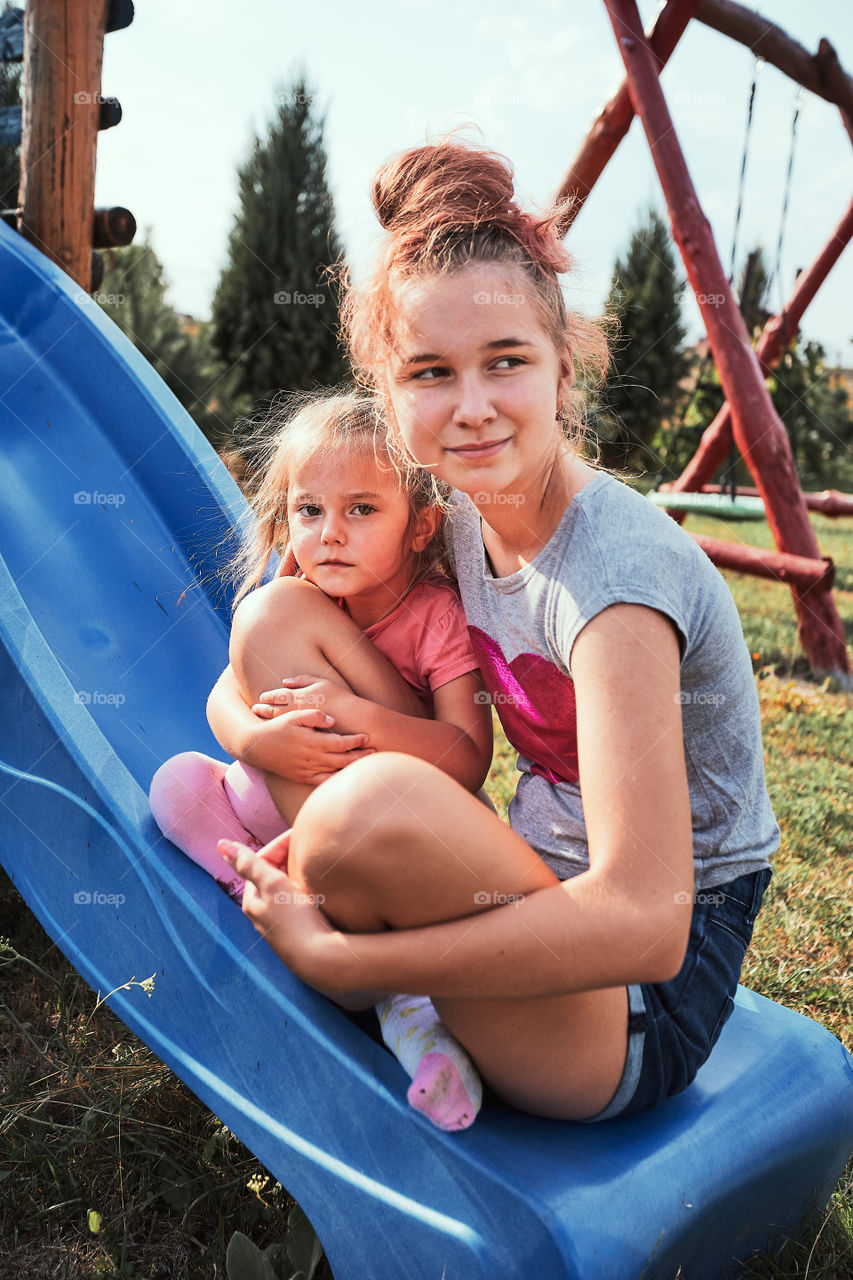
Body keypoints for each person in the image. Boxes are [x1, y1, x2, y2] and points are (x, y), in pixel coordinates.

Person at [217, 138, 779, 1124]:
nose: (471, 408)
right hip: (521, 888)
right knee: (275, 610)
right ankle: (326, 887)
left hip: (638, 1005)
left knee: (367, 808)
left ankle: (366, 961)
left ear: (562, 368)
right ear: (389, 398)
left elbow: (647, 924)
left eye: (505, 362)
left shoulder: (615, 583)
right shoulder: (456, 515)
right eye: (430, 372)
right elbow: (262, 639)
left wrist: (349, 955)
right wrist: (245, 729)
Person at [149, 391, 492, 1130]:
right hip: (279, 794)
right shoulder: (304, 594)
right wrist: (255, 742)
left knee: (265, 620)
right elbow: (223, 696)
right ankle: (270, 892)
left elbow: (467, 759)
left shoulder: (436, 617)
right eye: (310, 512)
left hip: (383, 824)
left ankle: (410, 1013)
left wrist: (362, 717)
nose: (330, 534)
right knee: (177, 786)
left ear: (419, 525)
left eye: (362, 510)